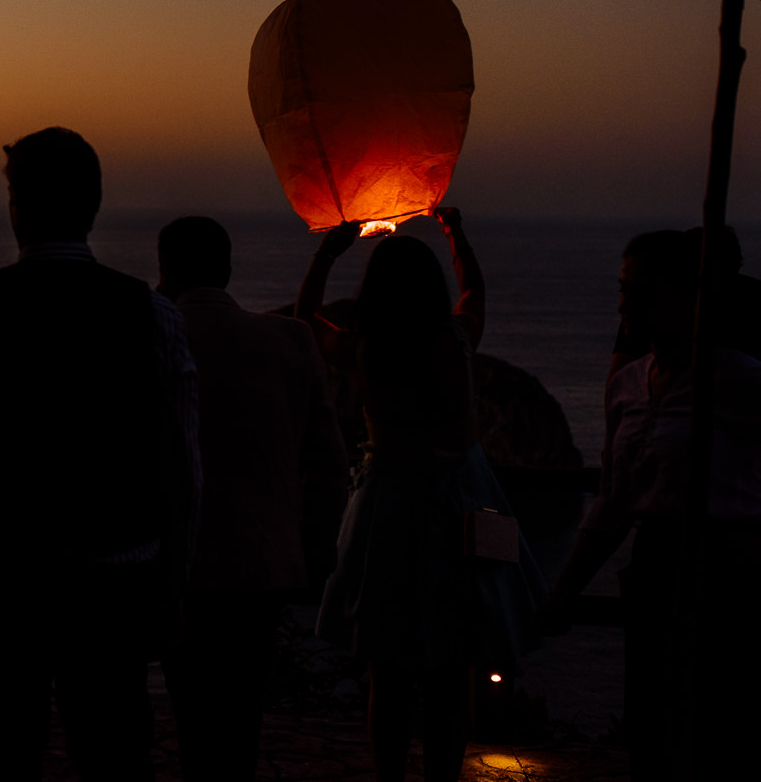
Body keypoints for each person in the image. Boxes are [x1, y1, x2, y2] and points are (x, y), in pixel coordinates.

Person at [0, 127, 200, 782]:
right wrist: (171, 586)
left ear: (16, 206)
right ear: (92, 205)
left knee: (3, 755)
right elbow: (183, 468)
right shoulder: (153, 315)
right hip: (116, 579)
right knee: (114, 753)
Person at [301, 209, 543, 782]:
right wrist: (454, 230)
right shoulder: (457, 340)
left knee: (388, 670)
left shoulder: (362, 350)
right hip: (463, 503)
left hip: (390, 507)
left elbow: (305, 318)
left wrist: (328, 254)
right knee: (451, 667)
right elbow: (475, 291)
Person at [541, 228, 761, 779]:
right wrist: (565, 589)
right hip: (655, 572)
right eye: (622, 289)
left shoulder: (740, 383)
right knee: (651, 730)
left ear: (692, 298)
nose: (625, 305)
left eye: (643, 292)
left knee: (720, 734)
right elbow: (615, 500)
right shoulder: (628, 387)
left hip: (730, 577)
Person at [157, 215, 348, 782]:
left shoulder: (156, 337)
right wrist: (316, 552)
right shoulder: (286, 340)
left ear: (165, 271)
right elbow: (328, 459)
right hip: (264, 563)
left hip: (179, 565)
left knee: (191, 709)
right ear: (229, 268)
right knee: (243, 713)